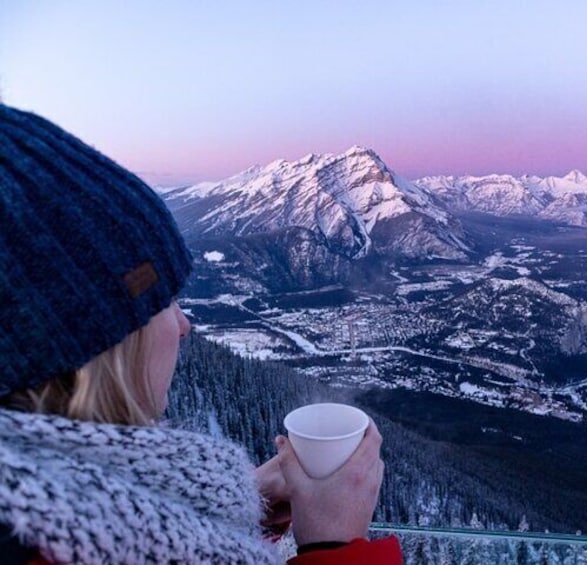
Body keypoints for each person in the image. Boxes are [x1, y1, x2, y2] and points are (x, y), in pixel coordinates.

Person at [0, 104, 403, 564]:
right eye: (164, 302)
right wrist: (335, 546)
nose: (184, 325)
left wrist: (244, 503)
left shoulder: (44, 519)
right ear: (93, 345)